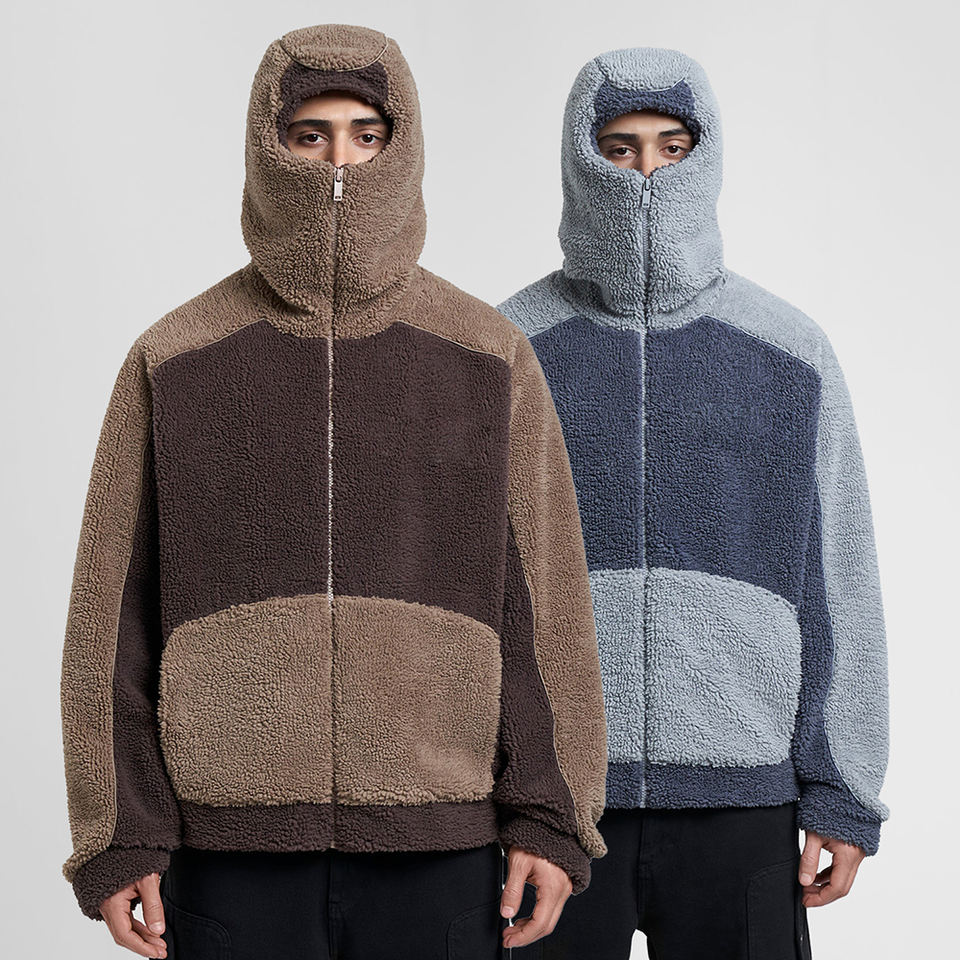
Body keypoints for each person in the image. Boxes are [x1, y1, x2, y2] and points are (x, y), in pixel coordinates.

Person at [58, 23, 609, 959]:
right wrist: (119, 833)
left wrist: (552, 818)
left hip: (441, 841)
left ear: (403, 146)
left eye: (366, 133)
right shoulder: (175, 357)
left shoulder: (488, 356)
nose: (339, 161)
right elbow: (111, 614)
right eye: (309, 134)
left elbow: (546, 604)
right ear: (266, 145)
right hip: (228, 849)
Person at [497, 46, 890, 958]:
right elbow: (466, 583)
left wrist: (843, 791)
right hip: (557, 807)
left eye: (672, 148)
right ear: (580, 158)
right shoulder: (509, 348)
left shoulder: (788, 352)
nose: (645, 172)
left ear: (705, 158)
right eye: (620, 147)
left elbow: (839, 579)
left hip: (742, 798)